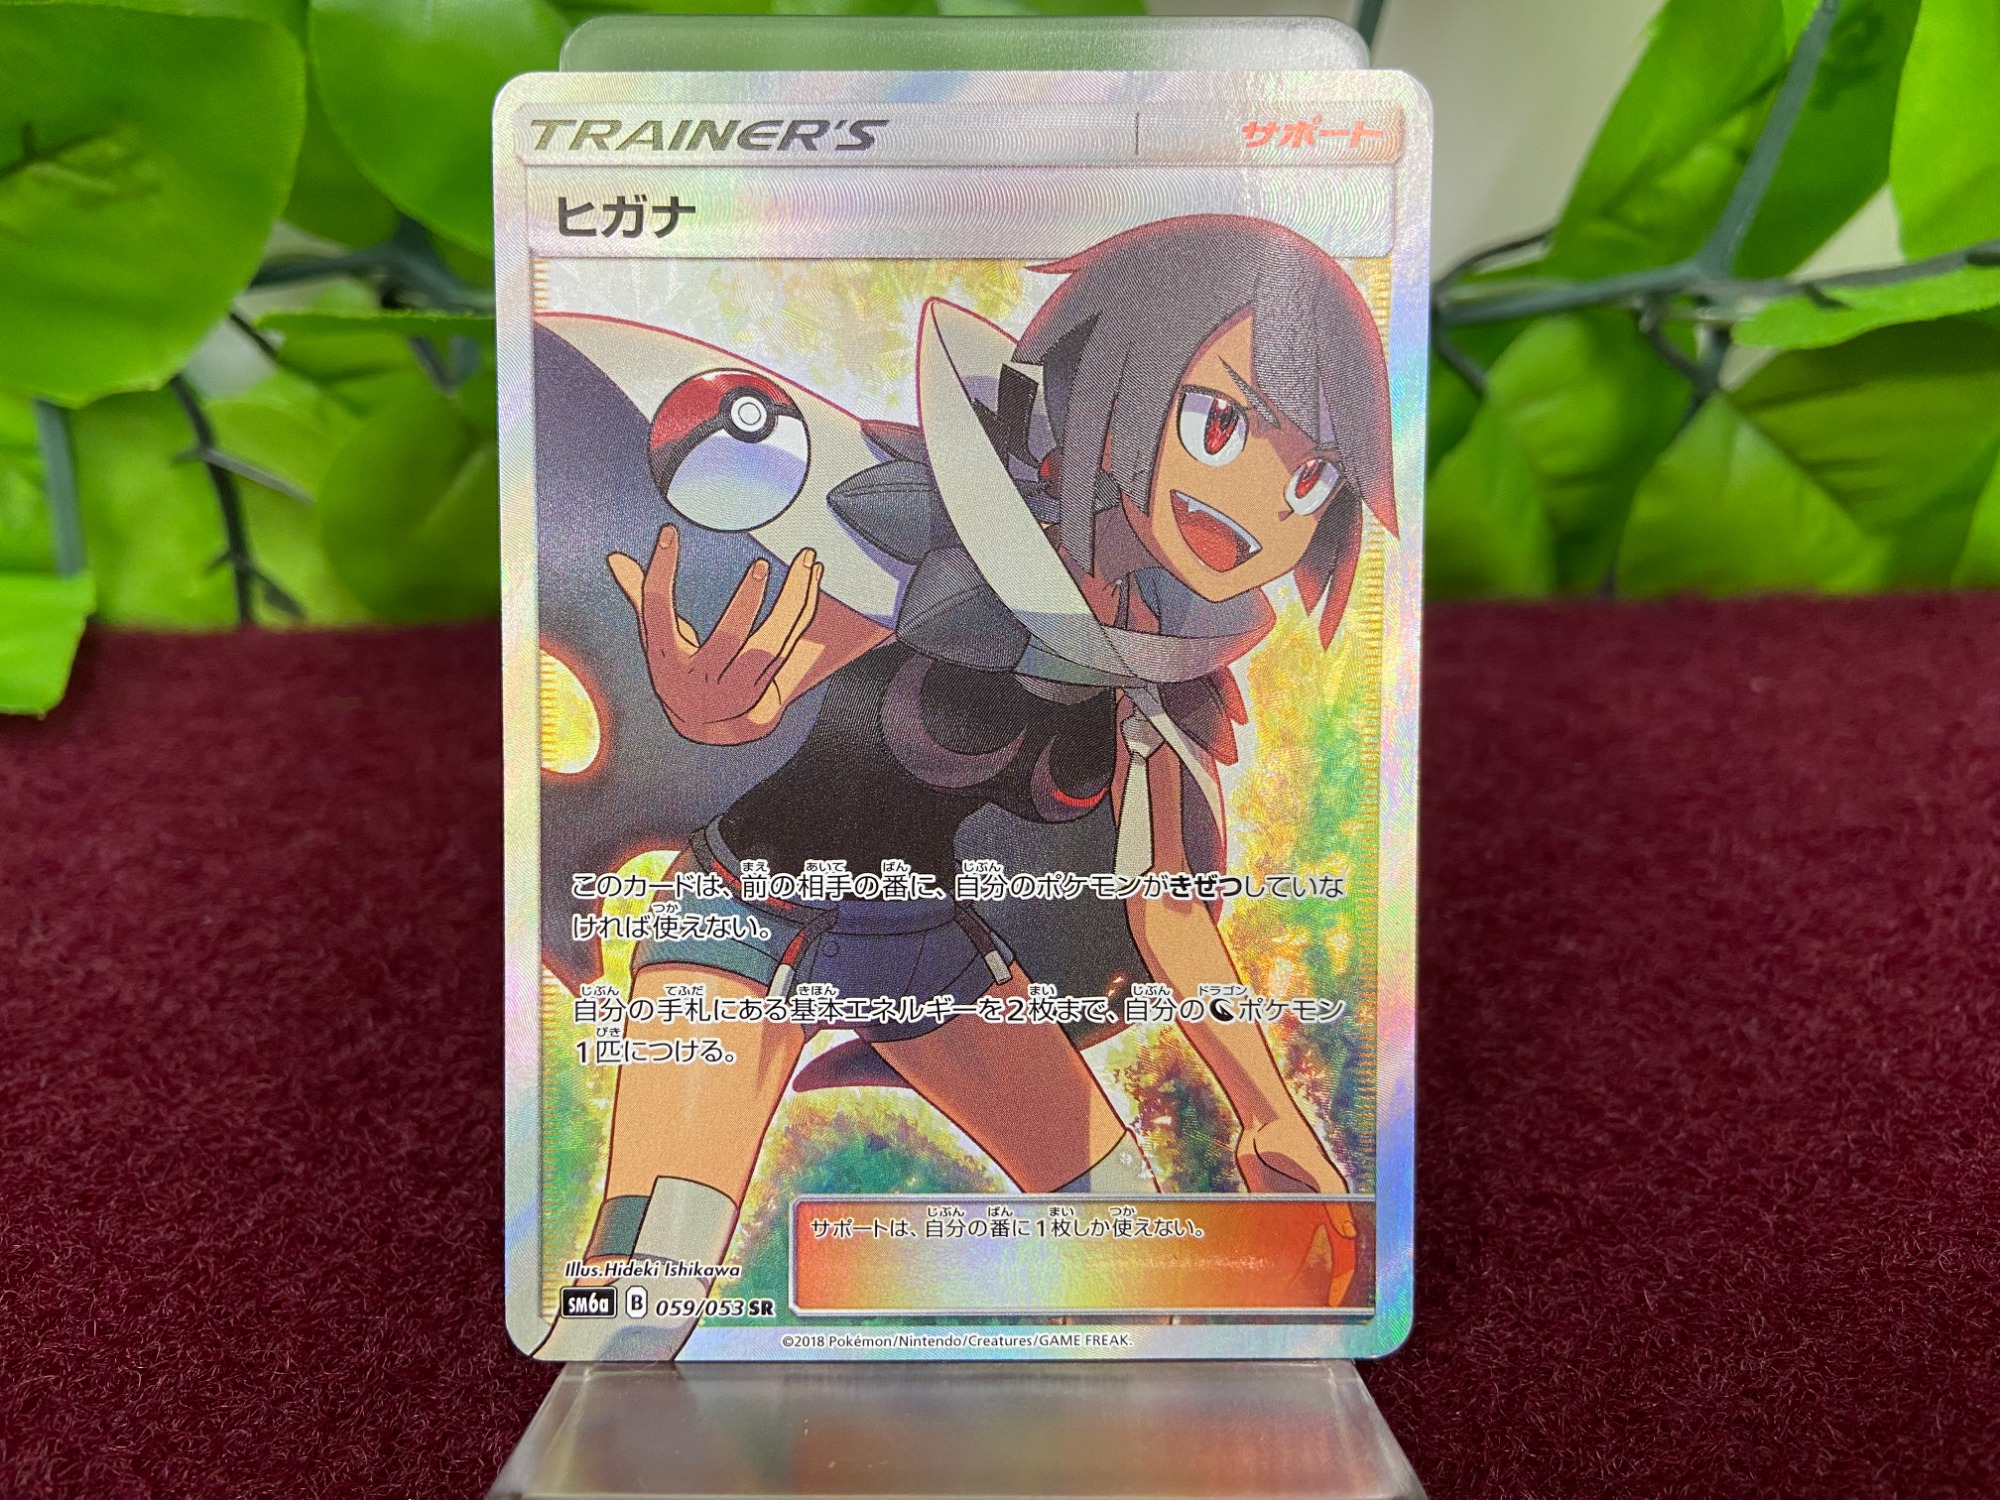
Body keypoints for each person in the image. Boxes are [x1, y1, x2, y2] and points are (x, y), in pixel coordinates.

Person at [538, 215, 1398, 1359]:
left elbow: (1167, 910)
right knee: (648, 1284)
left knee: (1122, 1240)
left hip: (923, 948)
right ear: (1116, 375)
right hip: (741, 915)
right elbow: (782, 673)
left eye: (1307, 479)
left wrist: (1268, 1117)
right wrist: (711, 712)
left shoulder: (1163, 672)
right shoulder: (938, 525)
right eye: (1219, 422)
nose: (1255, 503)